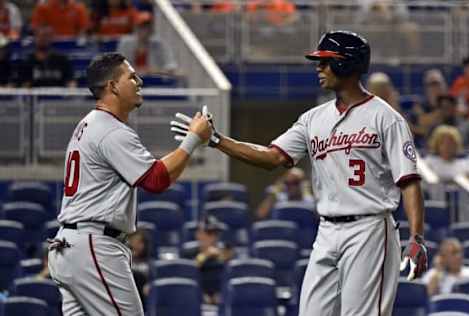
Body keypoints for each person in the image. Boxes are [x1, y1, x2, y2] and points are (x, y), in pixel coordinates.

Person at [171, 30, 427, 315]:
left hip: (370, 227)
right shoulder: (313, 119)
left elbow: (409, 181)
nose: (319, 68)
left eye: (326, 61)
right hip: (327, 228)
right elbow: (271, 158)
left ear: (347, 63)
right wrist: (217, 140)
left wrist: (416, 237)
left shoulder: (386, 118)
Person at [47, 52, 212, 316]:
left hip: (71, 245)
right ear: (112, 86)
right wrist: (192, 139)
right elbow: (156, 180)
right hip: (94, 246)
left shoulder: (89, 124)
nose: (140, 81)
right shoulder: (110, 129)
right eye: (132, 76)